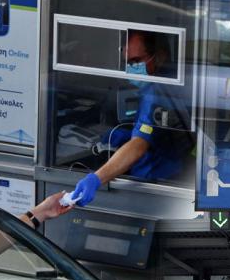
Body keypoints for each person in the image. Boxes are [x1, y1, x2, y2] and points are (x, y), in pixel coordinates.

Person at [70, 31, 192, 207]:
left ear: (160, 57)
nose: (131, 68)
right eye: (127, 62)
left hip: (157, 183)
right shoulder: (165, 86)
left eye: (136, 61)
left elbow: (139, 146)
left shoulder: (156, 94)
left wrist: (96, 179)